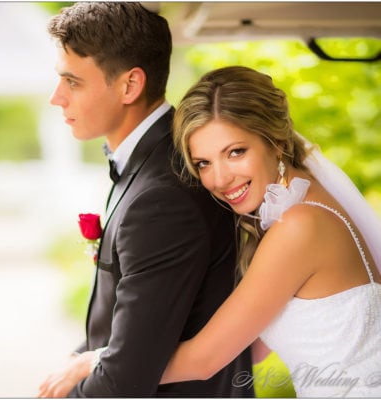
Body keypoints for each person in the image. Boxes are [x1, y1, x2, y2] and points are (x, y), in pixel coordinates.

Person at [38, 4, 253, 398]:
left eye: (73, 82)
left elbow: (127, 377)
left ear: (130, 85)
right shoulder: (154, 162)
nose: (57, 98)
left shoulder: (162, 196)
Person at [158, 66, 381, 397]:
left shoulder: (300, 225)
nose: (219, 179)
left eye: (235, 152)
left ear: (275, 141)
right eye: (204, 163)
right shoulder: (300, 208)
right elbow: (251, 351)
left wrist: (101, 364)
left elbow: (206, 361)